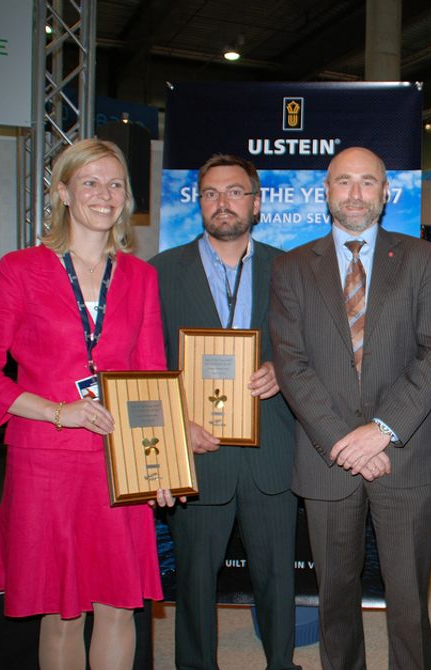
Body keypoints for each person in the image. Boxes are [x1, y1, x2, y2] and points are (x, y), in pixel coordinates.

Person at [0, 138, 173, 670]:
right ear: (62, 191)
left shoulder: (141, 277)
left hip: (118, 463)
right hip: (46, 462)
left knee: (120, 607)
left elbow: (148, 379)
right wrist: (59, 410)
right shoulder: (20, 269)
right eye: (90, 182)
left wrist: (160, 462)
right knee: (63, 613)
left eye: (116, 184)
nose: (105, 195)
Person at [271, 146, 431, 670]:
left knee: (410, 605)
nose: (355, 193)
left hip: (406, 453)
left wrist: (381, 430)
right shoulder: (291, 267)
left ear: (386, 193)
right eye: (344, 181)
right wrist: (344, 441)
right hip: (328, 458)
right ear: (325, 191)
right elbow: (292, 364)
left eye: (367, 182)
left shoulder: (421, 258)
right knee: (335, 603)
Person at [149, 154, 299, 670]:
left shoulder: (291, 269)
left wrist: (283, 370)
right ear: (199, 203)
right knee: (193, 581)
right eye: (211, 193)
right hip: (197, 450)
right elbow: (145, 363)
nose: (223, 202)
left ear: (256, 203)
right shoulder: (161, 272)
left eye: (235, 192)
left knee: (279, 577)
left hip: (270, 450)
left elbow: (313, 348)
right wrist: (173, 425)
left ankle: (282, 663)